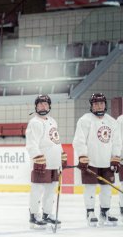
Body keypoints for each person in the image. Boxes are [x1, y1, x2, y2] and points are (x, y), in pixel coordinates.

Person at [72, 92, 121, 226]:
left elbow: (117, 142)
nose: (99, 106)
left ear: (105, 104)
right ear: (91, 106)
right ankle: (90, 212)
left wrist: (116, 157)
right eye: (96, 104)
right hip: (90, 161)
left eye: (101, 103)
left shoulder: (112, 121)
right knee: (90, 187)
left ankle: (105, 211)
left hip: (107, 161)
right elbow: (79, 141)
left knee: (107, 188)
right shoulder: (85, 120)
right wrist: (82, 156)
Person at [25, 95, 66, 229]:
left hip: (54, 162)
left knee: (51, 189)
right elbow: (31, 144)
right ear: (36, 107)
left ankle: (47, 214)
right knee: (37, 189)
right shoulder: (35, 122)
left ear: (49, 106)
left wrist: (62, 155)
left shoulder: (52, 121)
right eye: (40, 104)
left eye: (46, 104)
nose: (43, 107)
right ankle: (34, 215)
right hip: (42, 162)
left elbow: (55, 140)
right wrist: (37, 158)